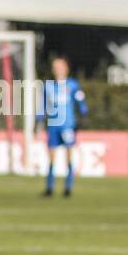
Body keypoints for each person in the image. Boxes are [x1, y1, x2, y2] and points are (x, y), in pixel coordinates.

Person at [37, 55, 88, 198]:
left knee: (68, 155)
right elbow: (43, 106)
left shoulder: (72, 85)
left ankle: (67, 188)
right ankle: (49, 188)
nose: (57, 69)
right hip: (53, 126)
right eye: (55, 66)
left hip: (67, 125)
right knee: (51, 157)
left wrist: (83, 116)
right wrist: (39, 121)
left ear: (66, 68)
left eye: (60, 66)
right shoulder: (48, 86)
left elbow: (80, 102)